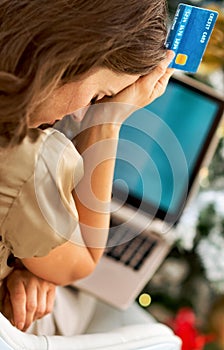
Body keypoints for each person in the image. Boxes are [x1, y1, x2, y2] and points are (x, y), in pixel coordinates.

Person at [0, 0, 174, 336]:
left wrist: (25, 261)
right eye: (97, 96)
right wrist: (106, 122)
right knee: (157, 337)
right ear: (68, 57)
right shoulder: (27, 159)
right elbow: (83, 262)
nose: (77, 116)